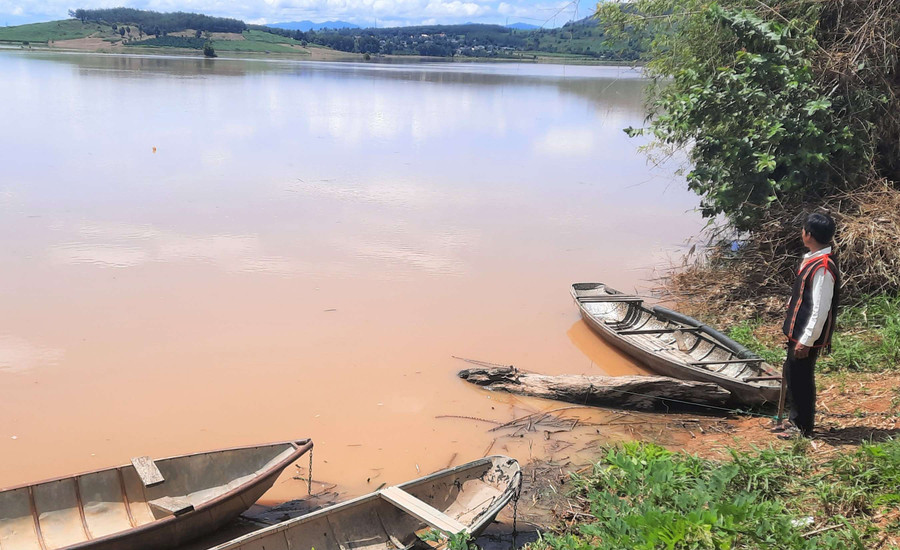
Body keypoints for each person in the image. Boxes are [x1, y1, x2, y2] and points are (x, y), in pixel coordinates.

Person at [775, 212, 841, 439]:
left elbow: (820, 309)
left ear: (808, 234)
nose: (802, 233)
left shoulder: (822, 266)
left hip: (806, 334)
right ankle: (796, 421)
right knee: (793, 374)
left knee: (801, 379)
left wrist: (806, 341)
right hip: (799, 330)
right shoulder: (812, 259)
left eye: (803, 229)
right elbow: (808, 294)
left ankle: (801, 428)